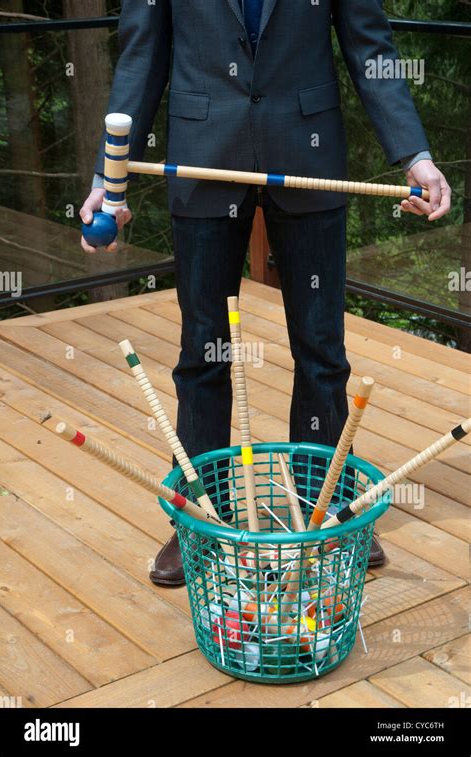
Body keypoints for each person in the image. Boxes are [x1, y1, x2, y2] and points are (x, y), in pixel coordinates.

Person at [80, 0, 451, 585]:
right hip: (202, 160)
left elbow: (370, 49)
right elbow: (141, 58)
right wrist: (110, 175)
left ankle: (327, 512)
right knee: (203, 351)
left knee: (323, 348)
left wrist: (416, 155)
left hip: (310, 155)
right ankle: (200, 520)